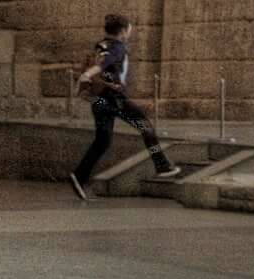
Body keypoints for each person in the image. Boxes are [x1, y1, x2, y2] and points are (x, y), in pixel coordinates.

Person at [68, 15, 187, 198]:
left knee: (102, 141)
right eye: (129, 29)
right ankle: (162, 165)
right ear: (123, 31)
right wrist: (87, 74)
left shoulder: (101, 45)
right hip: (115, 99)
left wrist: (88, 77)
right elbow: (104, 64)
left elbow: (101, 62)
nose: (130, 33)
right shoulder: (118, 47)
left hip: (99, 100)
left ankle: (79, 176)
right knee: (146, 127)